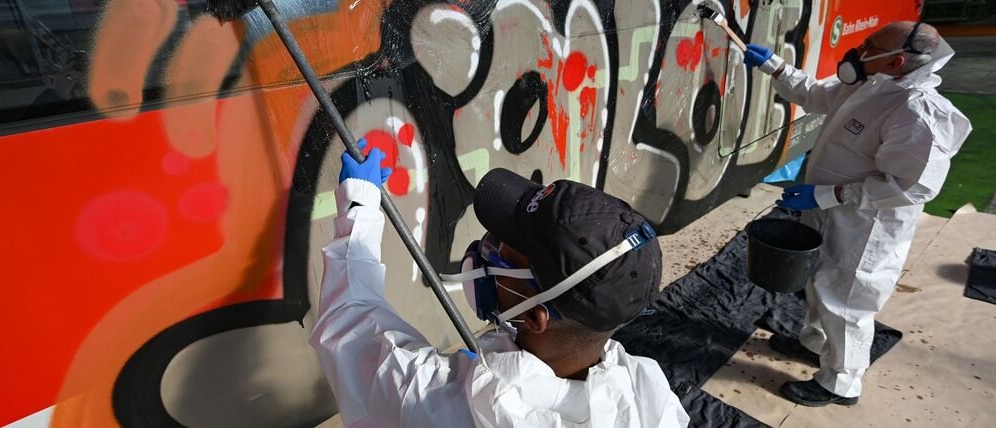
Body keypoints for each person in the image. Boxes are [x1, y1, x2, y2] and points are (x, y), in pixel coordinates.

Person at [309, 141, 689, 427]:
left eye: (501, 253)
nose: (486, 251)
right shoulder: (650, 401)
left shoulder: (442, 405)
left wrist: (358, 208)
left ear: (537, 317)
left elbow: (350, 325)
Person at [743, 21, 972, 406]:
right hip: (829, 208)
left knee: (847, 301)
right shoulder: (872, 82)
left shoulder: (916, 114)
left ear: (897, 60)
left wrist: (829, 195)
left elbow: (910, 186)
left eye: (869, 45)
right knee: (817, 282)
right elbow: (817, 95)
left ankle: (840, 383)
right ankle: (816, 344)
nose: (860, 50)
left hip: (866, 225)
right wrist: (777, 68)